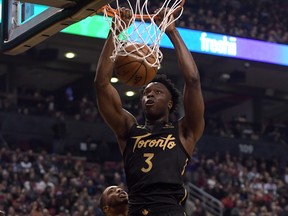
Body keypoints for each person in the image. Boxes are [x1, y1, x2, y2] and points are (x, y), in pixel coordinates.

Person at [95, 7, 205, 216]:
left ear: (170, 103)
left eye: (157, 92)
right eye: (146, 92)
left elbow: (193, 81)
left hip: (170, 209)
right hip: (137, 209)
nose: (149, 95)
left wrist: (172, 32)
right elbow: (101, 83)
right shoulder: (129, 130)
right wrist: (115, 31)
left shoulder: (184, 131)